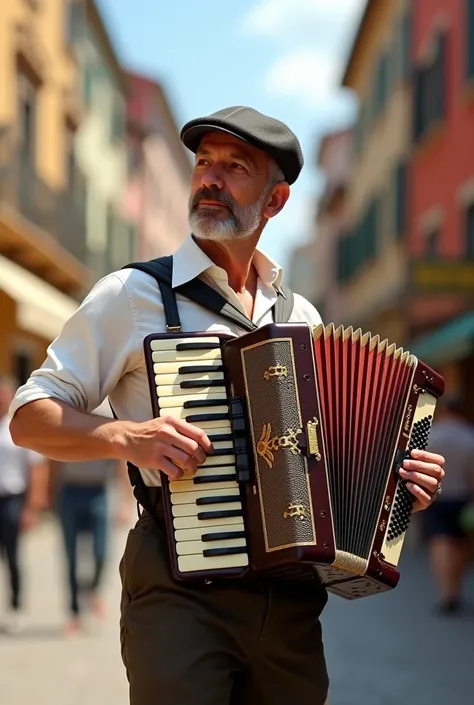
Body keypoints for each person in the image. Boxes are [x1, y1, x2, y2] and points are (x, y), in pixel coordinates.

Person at [8, 106, 445, 704]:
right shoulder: (132, 296)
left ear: (275, 201)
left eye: (235, 167)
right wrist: (126, 437)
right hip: (179, 591)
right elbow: (30, 415)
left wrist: (399, 481)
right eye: (204, 163)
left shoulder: (301, 319)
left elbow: (334, 464)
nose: (210, 177)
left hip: (291, 605)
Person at [51, 400, 132, 636]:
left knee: (101, 552)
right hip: (70, 491)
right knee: (70, 556)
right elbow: (52, 458)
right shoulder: (64, 410)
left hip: (99, 492)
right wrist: (49, 495)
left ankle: (93, 590)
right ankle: (73, 613)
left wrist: (125, 502)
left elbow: (120, 460)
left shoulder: (106, 414)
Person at [0, 375, 48, 634]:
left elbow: (36, 468)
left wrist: (32, 507)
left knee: (13, 557)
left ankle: (16, 607)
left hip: (12, 500)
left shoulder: (16, 428)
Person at [423, 393, 474, 614]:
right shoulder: (469, 436)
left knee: (439, 544)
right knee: (461, 545)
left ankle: (446, 593)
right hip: (463, 498)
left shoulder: (431, 435)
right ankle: (456, 589)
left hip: (436, 497)